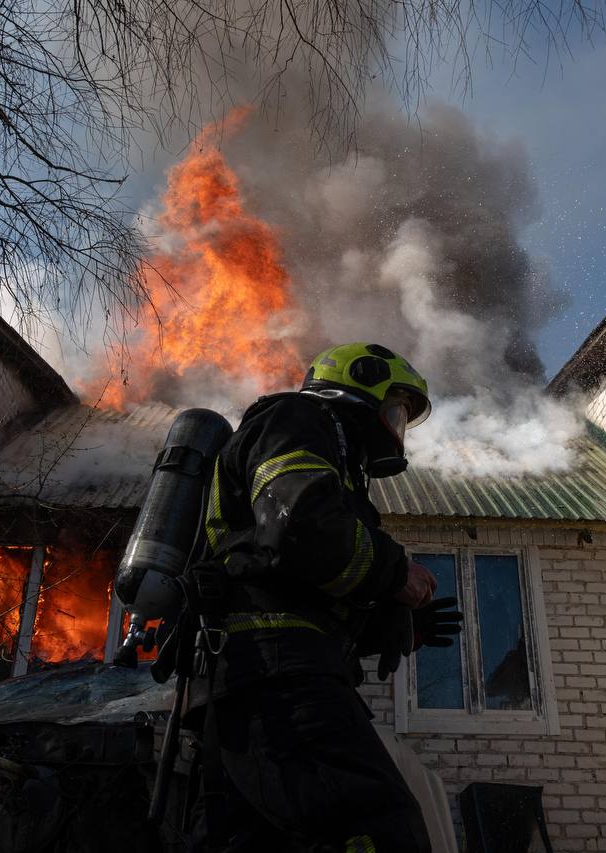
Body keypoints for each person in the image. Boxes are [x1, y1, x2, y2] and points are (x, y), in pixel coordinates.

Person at [179, 342, 463, 852]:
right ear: (362, 386)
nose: (398, 427)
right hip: (277, 678)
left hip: (262, 678)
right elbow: (300, 528)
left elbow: (301, 588)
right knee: (380, 825)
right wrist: (395, 571)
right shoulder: (296, 418)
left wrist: (387, 624)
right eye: (397, 409)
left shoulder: (338, 466)